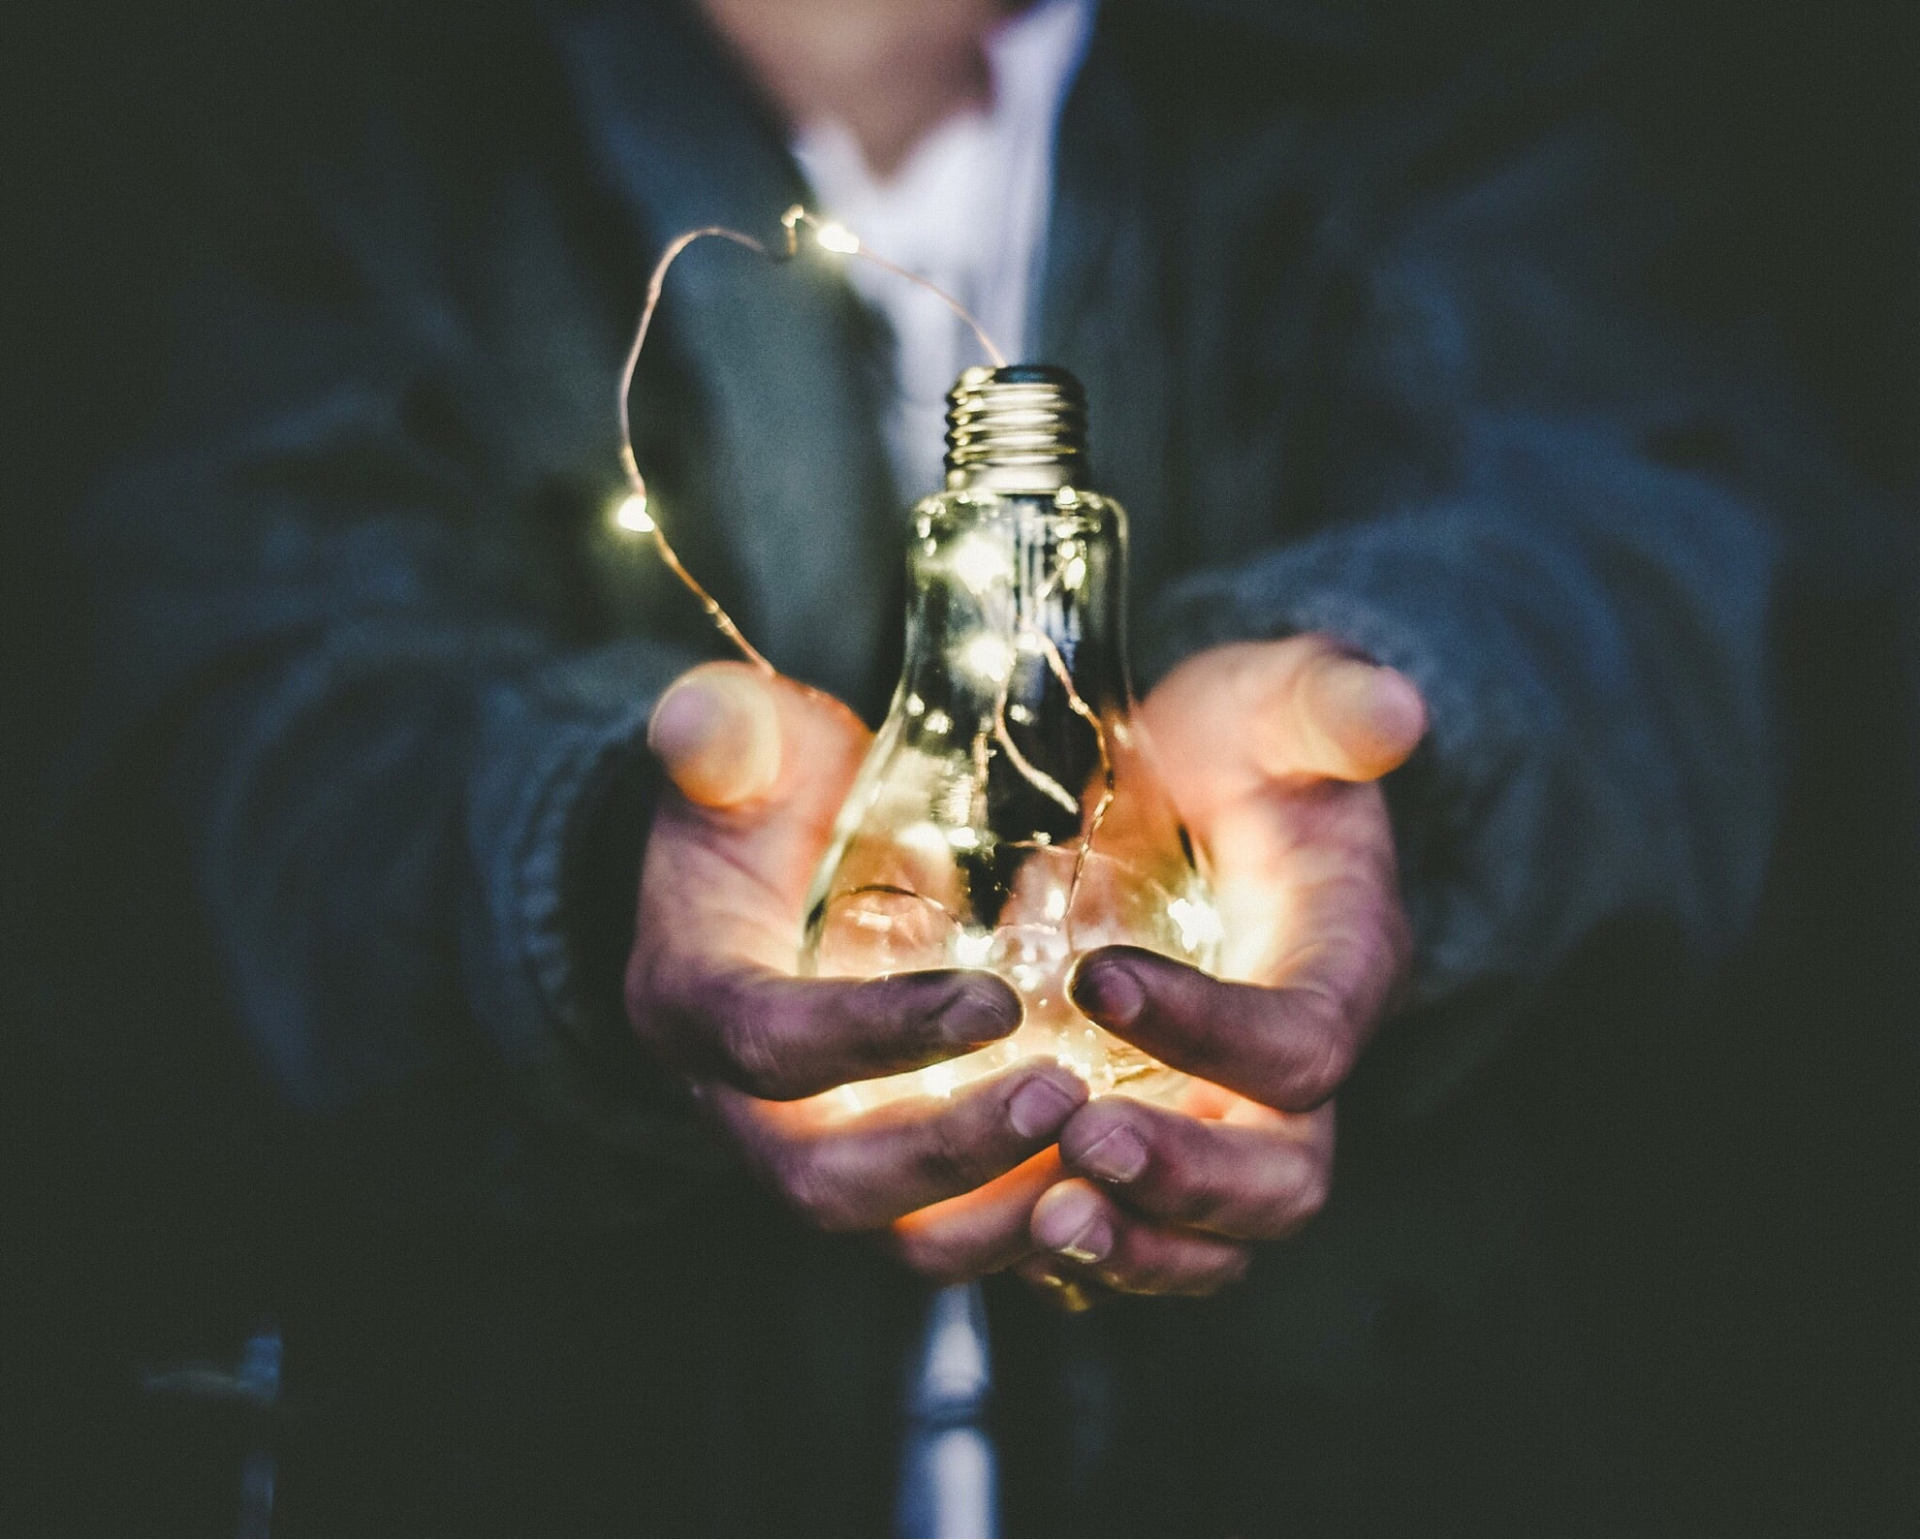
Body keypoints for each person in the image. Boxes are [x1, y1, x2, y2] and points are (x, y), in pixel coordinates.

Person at [47, 0, 1873, 1533]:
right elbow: (178, 713)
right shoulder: (359, 126)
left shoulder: (1423, 87)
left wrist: (1408, 730)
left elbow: (1693, 549)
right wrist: (592, 867)